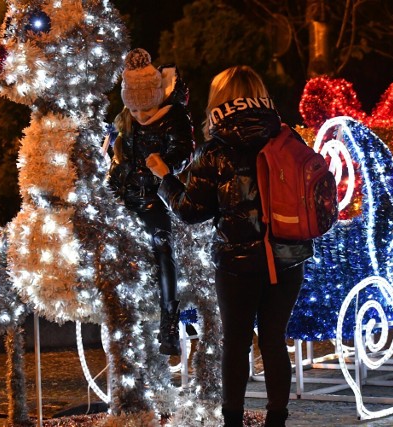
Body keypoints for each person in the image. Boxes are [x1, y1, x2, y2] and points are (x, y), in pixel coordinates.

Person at [146, 66, 312, 427]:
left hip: (238, 264)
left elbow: (190, 212)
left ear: (220, 101)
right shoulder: (287, 137)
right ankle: (277, 422)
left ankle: (232, 423)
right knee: (273, 339)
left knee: (236, 343)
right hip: (288, 258)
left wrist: (164, 177)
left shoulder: (216, 149)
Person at [105, 48, 195, 356]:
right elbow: (121, 155)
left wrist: (165, 166)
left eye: (147, 109)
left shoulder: (175, 116)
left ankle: (168, 322)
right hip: (124, 193)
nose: (142, 116)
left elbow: (185, 151)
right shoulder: (126, 118)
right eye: (136, 110)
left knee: (162, 246)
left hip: (155, 198)